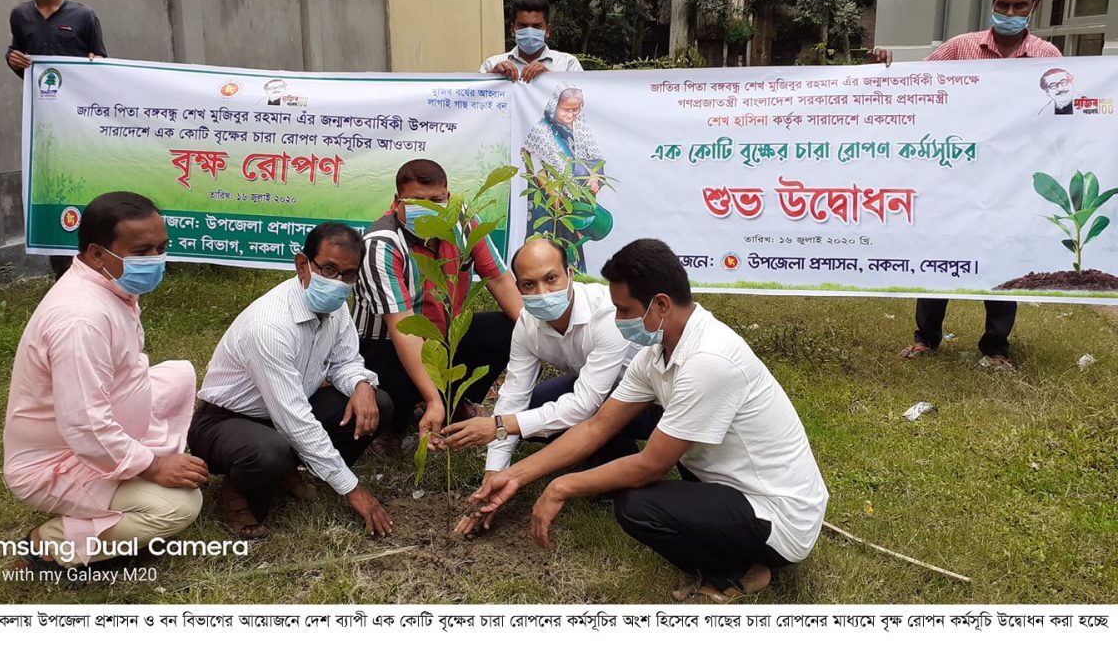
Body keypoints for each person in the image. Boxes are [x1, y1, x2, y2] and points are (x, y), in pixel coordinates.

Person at [461, 239, 829, 604]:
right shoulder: (657, 352)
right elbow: (596, 426)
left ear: (662, 305)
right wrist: (512, 476)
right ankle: (732, 548)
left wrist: (561, 486)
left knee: (639, 507)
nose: (617, 319)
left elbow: (650, 466)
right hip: (726, 485)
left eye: (623, 310)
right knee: (637, 489)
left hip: (779, 519)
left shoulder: (709, 360)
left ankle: (739, 572)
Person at [869, 0, 1060, 371]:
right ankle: (927, 338)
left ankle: (995, 346)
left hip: (1011, 178)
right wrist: (887, 65)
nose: (1009, 11)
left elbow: (1060, 118)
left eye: (1018, 5)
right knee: (942, 251)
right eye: (1002, 4)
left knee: (1003, 258)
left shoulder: (1047, 58)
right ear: (992, 2)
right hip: (955, 175)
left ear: (1034, 7)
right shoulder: (960, 48)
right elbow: (915, 84)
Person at [3, 192, 203, 572]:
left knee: (179, 375)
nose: (156, 260)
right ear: (97, 254)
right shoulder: (81, 320)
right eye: (143, 251)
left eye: (162, 248)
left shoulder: (111, 286)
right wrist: (153, 467)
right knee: (179, 507)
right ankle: (52, 545)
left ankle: (139, 461)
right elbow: (85, 426)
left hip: (97, 427)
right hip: (59, 457)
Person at [189, 224, 394, 539]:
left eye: (349, 275)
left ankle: (289, 469)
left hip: (287, 410)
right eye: (328, 269)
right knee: (270, 452)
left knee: (376, 404)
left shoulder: (336, 306)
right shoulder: (270, 326)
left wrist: (361, 385)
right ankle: (237, 487)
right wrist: (352, 489)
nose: (338, 283)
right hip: (225, 421)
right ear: (303, 265)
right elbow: (294, 421)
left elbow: (346, 362)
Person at [442, 239, 659, 519]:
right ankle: (608, 454)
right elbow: (513, 396)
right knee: (532, 409)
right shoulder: (527, 324)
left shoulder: (607, 314)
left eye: (551, 279)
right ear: (518, 287)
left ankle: (624, 470)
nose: (542, 293)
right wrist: (494, 476)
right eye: (529, 285)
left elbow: (584, 405)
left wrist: (499, 425)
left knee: (552, 414)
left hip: (653, 403)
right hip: (597, 388)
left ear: (570, 274)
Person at [353, 159, 524, 451]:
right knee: (397, 377)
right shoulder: (382, 245)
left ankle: (454, 403)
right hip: (386, 346)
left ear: (447, 196)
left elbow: (498, 279)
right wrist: (432, 397)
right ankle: (398, 420)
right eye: (417, 201)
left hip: (442, 335)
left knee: (508, 330)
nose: (429, 209)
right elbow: (403, 330)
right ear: (397, 202)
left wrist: (538, 336)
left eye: (436, 200)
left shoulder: (462, 222)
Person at [6, 0, 107, 281]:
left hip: (80, 128)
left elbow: (103, 66)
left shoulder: (84, 16)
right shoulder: (20, 16)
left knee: (86, 192)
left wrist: (95, 63)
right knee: (51, 194)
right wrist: (13, 60)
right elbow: (21, 60)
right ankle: (60, 273)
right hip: (45, 128)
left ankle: (94, 268)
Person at [520, 83, 612, 271]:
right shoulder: (542, 132)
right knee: (546, 248)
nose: (570, 115)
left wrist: (594, 179)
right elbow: (538, 170)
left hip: (574, 205)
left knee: (571, 248)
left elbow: (594, 161)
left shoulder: (579, 130)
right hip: (548, 205)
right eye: (565, 110)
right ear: (555, 106)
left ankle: (573, 282)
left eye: (575, 109)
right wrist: (555, 197)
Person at [480, 0, 583, 82]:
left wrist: (549, 77)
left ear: (547, 31)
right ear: (513, 30)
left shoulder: (567, 65)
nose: (529, 31)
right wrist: (492, 77)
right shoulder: (491, 64)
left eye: (536, 26)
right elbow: (475, 98)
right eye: (523, 26)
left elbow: (582, 97)